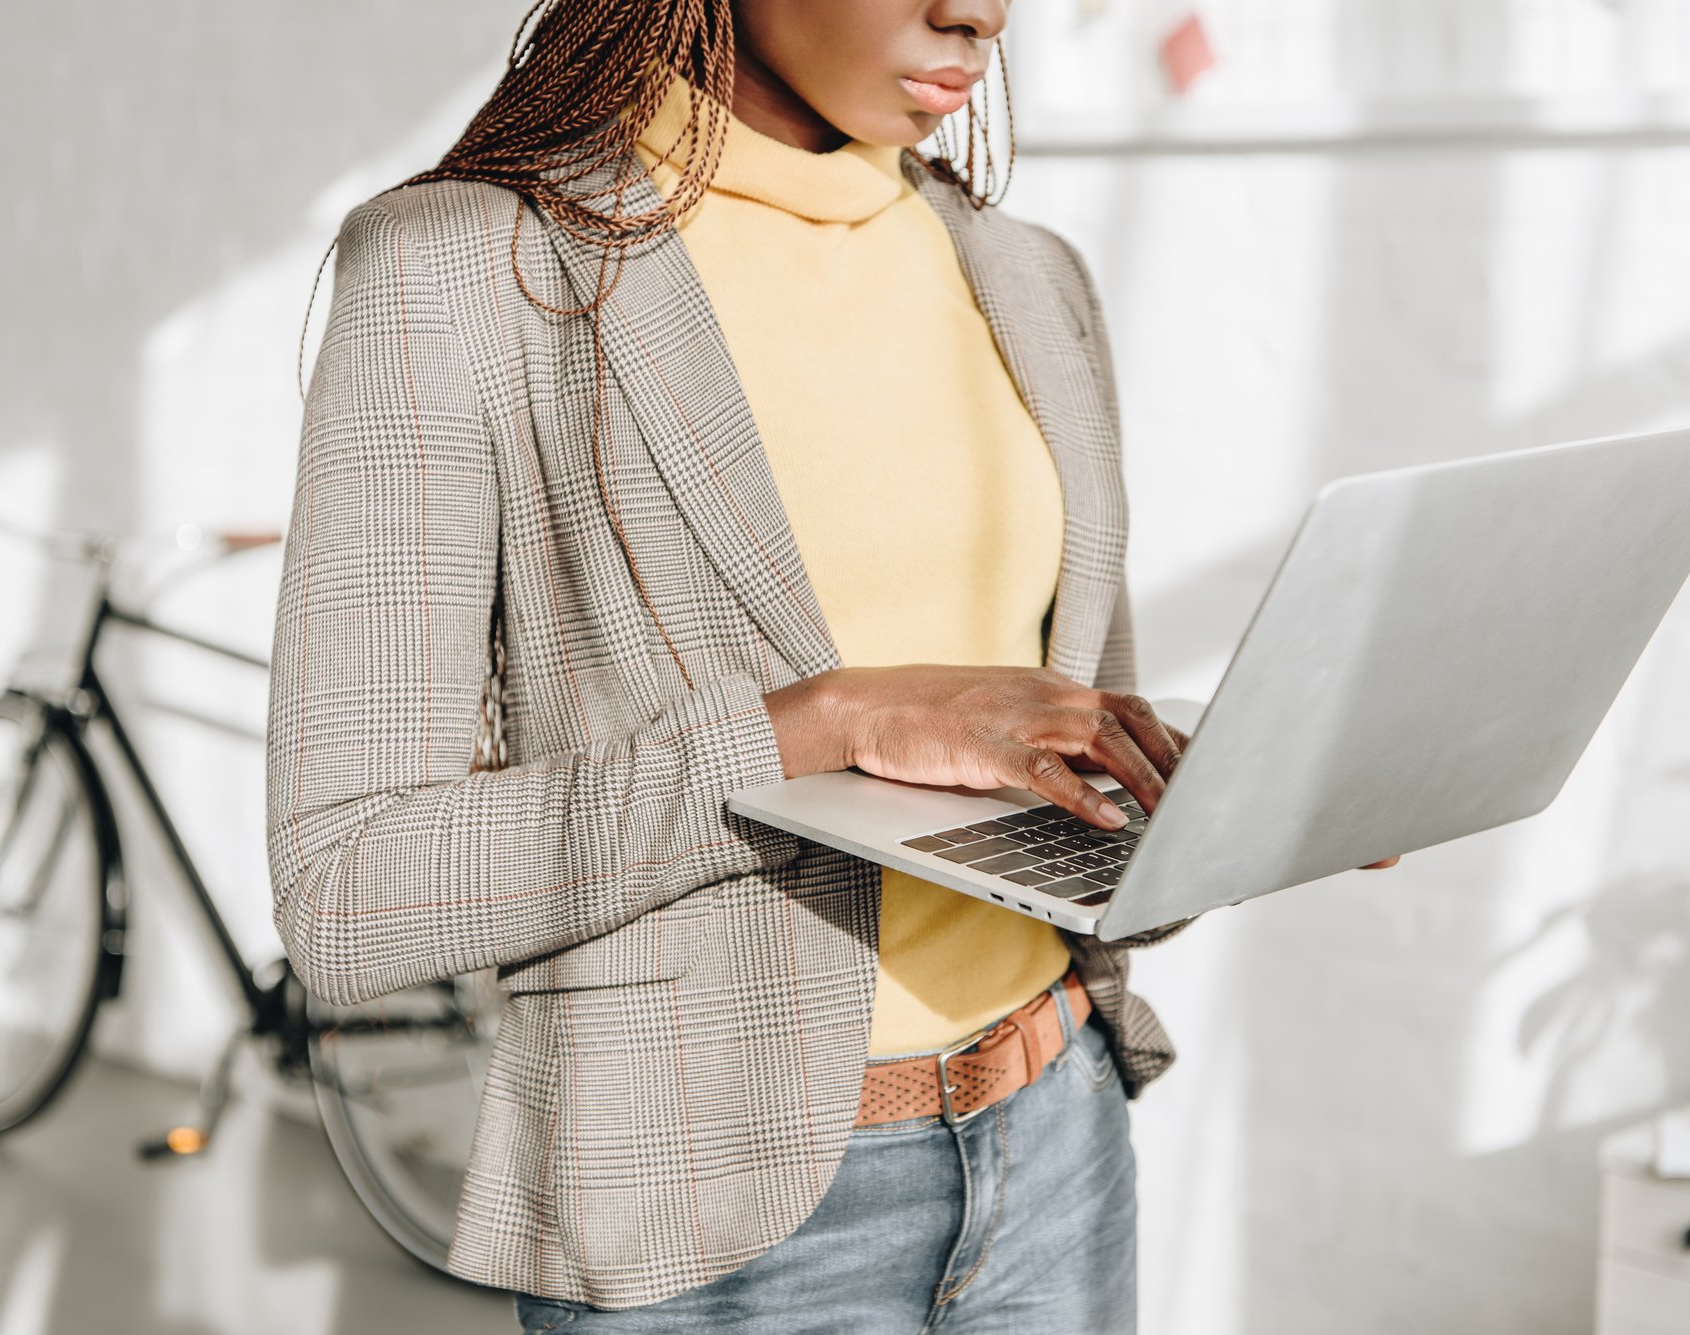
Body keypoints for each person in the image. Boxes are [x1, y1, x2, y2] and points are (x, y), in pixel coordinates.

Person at [266, 2, 1398, 1330]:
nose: (978, 11)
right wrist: (829, 721)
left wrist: (1234, 812)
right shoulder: (463, 270)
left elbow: (1081, 779)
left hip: (1055, 1146)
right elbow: (349, 897)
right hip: (710, 1225)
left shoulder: (1029, 279)